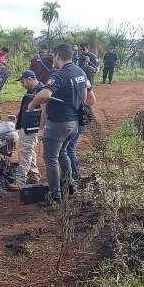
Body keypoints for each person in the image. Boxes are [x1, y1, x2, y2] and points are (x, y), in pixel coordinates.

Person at [27, 43, 88, 202]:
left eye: (53, 56)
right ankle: (68, 187)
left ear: (58, 56)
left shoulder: (60, 74)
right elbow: (84, 97)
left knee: (51, 158)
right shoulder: (80, 71)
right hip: (74, 123)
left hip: (59, 124)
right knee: (63, 153)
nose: (53, 59)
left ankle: (55, 197)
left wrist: (32, 105)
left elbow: (44, 94)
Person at [8, 70, 44, 191]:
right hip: (26, 126)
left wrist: (41, 129)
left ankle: (20, 180)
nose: (22, 84)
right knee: (29, 152)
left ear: (29, 79)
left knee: (25, 154)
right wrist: (17, 118)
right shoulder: (31, 91)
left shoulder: (41, 91)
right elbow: (28, 110)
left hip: (32, 128)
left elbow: (44, 111)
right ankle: (34, 176)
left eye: (23, 82)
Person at [66, 80, 96, 182]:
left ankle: (74, 175)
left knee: (68, 148)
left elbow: (92, 100)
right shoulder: (82, 79)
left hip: (78, 119)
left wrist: (76, 104)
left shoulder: (81, 80)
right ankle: (71, 173)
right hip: (77, 120)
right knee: (68, 147)